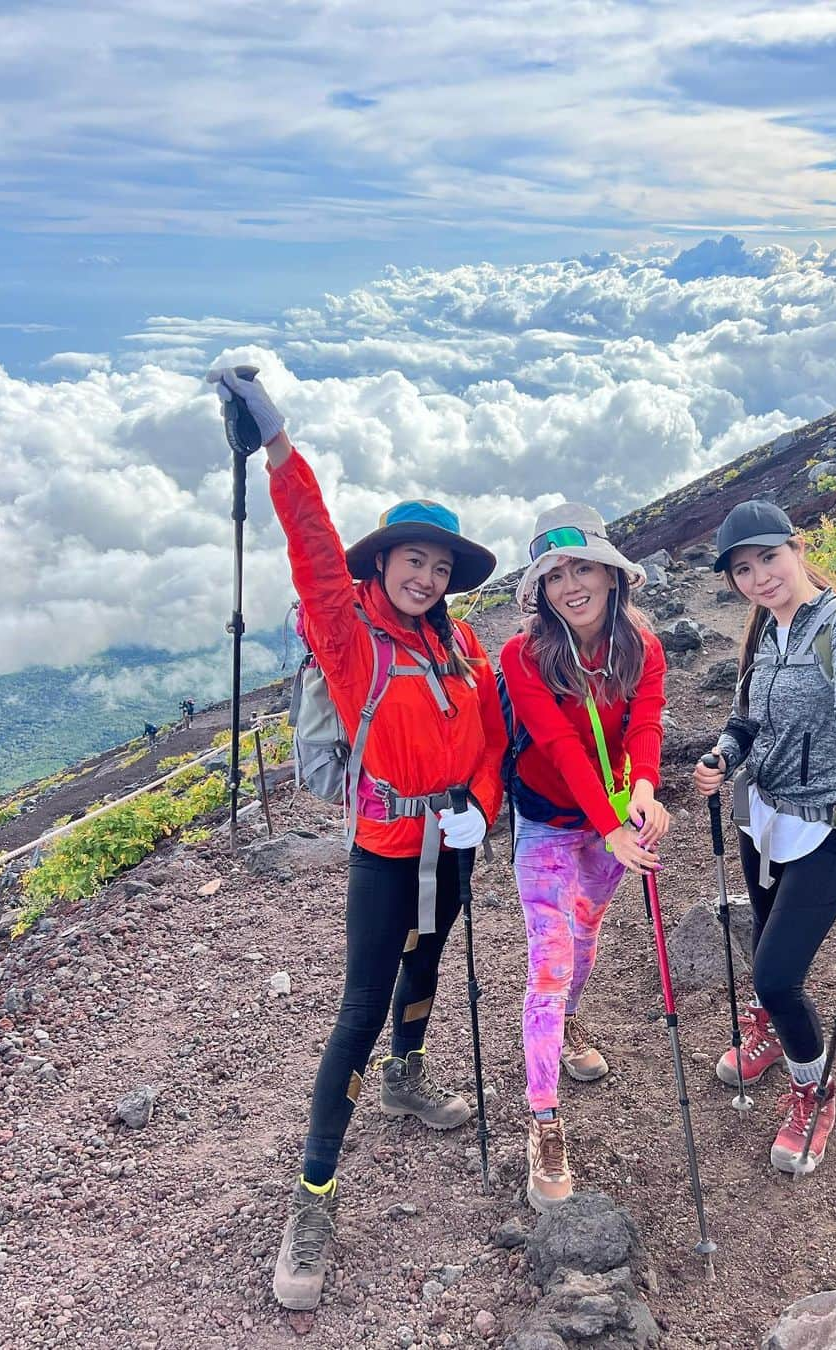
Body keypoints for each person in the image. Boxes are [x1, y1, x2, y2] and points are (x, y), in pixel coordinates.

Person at [207, 368, 506, 1310]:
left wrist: (484, 807)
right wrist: (281, 445)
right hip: (385, 847)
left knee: (427, 969)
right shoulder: (351, 637)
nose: (426, 577)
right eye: (412, 561)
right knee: (359, 1008)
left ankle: (407, 1080)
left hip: (453, 842)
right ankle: (314, 1193)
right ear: (383, 565)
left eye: (441, 567)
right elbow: (313, 554)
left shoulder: (463, 651)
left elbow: (492, 740)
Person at [693, 500, 836, 1175]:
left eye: (767, 558)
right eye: (742, 569)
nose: (758, 577)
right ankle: (766, 1038)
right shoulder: (766, 633)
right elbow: (747, 719)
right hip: (761, 819)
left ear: (798, 546)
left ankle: (813, 1091)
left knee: (777, 974)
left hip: (829, 829)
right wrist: (723, 757)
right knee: (764, 946)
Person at [500, 503, 670, 1211]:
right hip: (550, 822)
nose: (571, 584)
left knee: (587, 943)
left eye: (582, 568)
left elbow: (647, 722)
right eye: (554, 575)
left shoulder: (643, 646)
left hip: (608, 822)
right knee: (551, 960)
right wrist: (610, 825)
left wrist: (645, 790)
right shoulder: (524, 655)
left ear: (609, 572)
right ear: (540, 590)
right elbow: (558, 747)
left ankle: (568, 1024)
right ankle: (544, 1119)